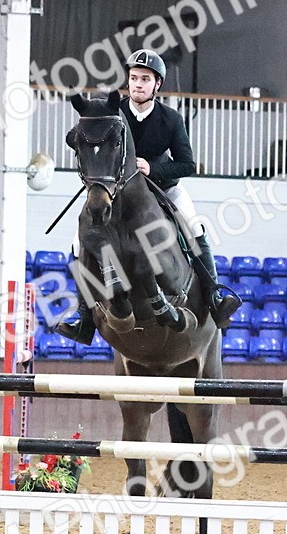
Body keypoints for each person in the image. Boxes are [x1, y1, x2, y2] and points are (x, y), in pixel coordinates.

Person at [56, 49, 241, 344]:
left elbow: (187, 163)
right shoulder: (115, 113)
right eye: (133, 78)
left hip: (163, 188)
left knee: (195, 227)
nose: (137, 84)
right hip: (115, 194)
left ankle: (215, 296)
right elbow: (76, 137)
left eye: (145, 79)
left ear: (157, 85)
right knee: (78, 241)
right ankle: (84, 317)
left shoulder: (170, 119)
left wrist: (151, 167)